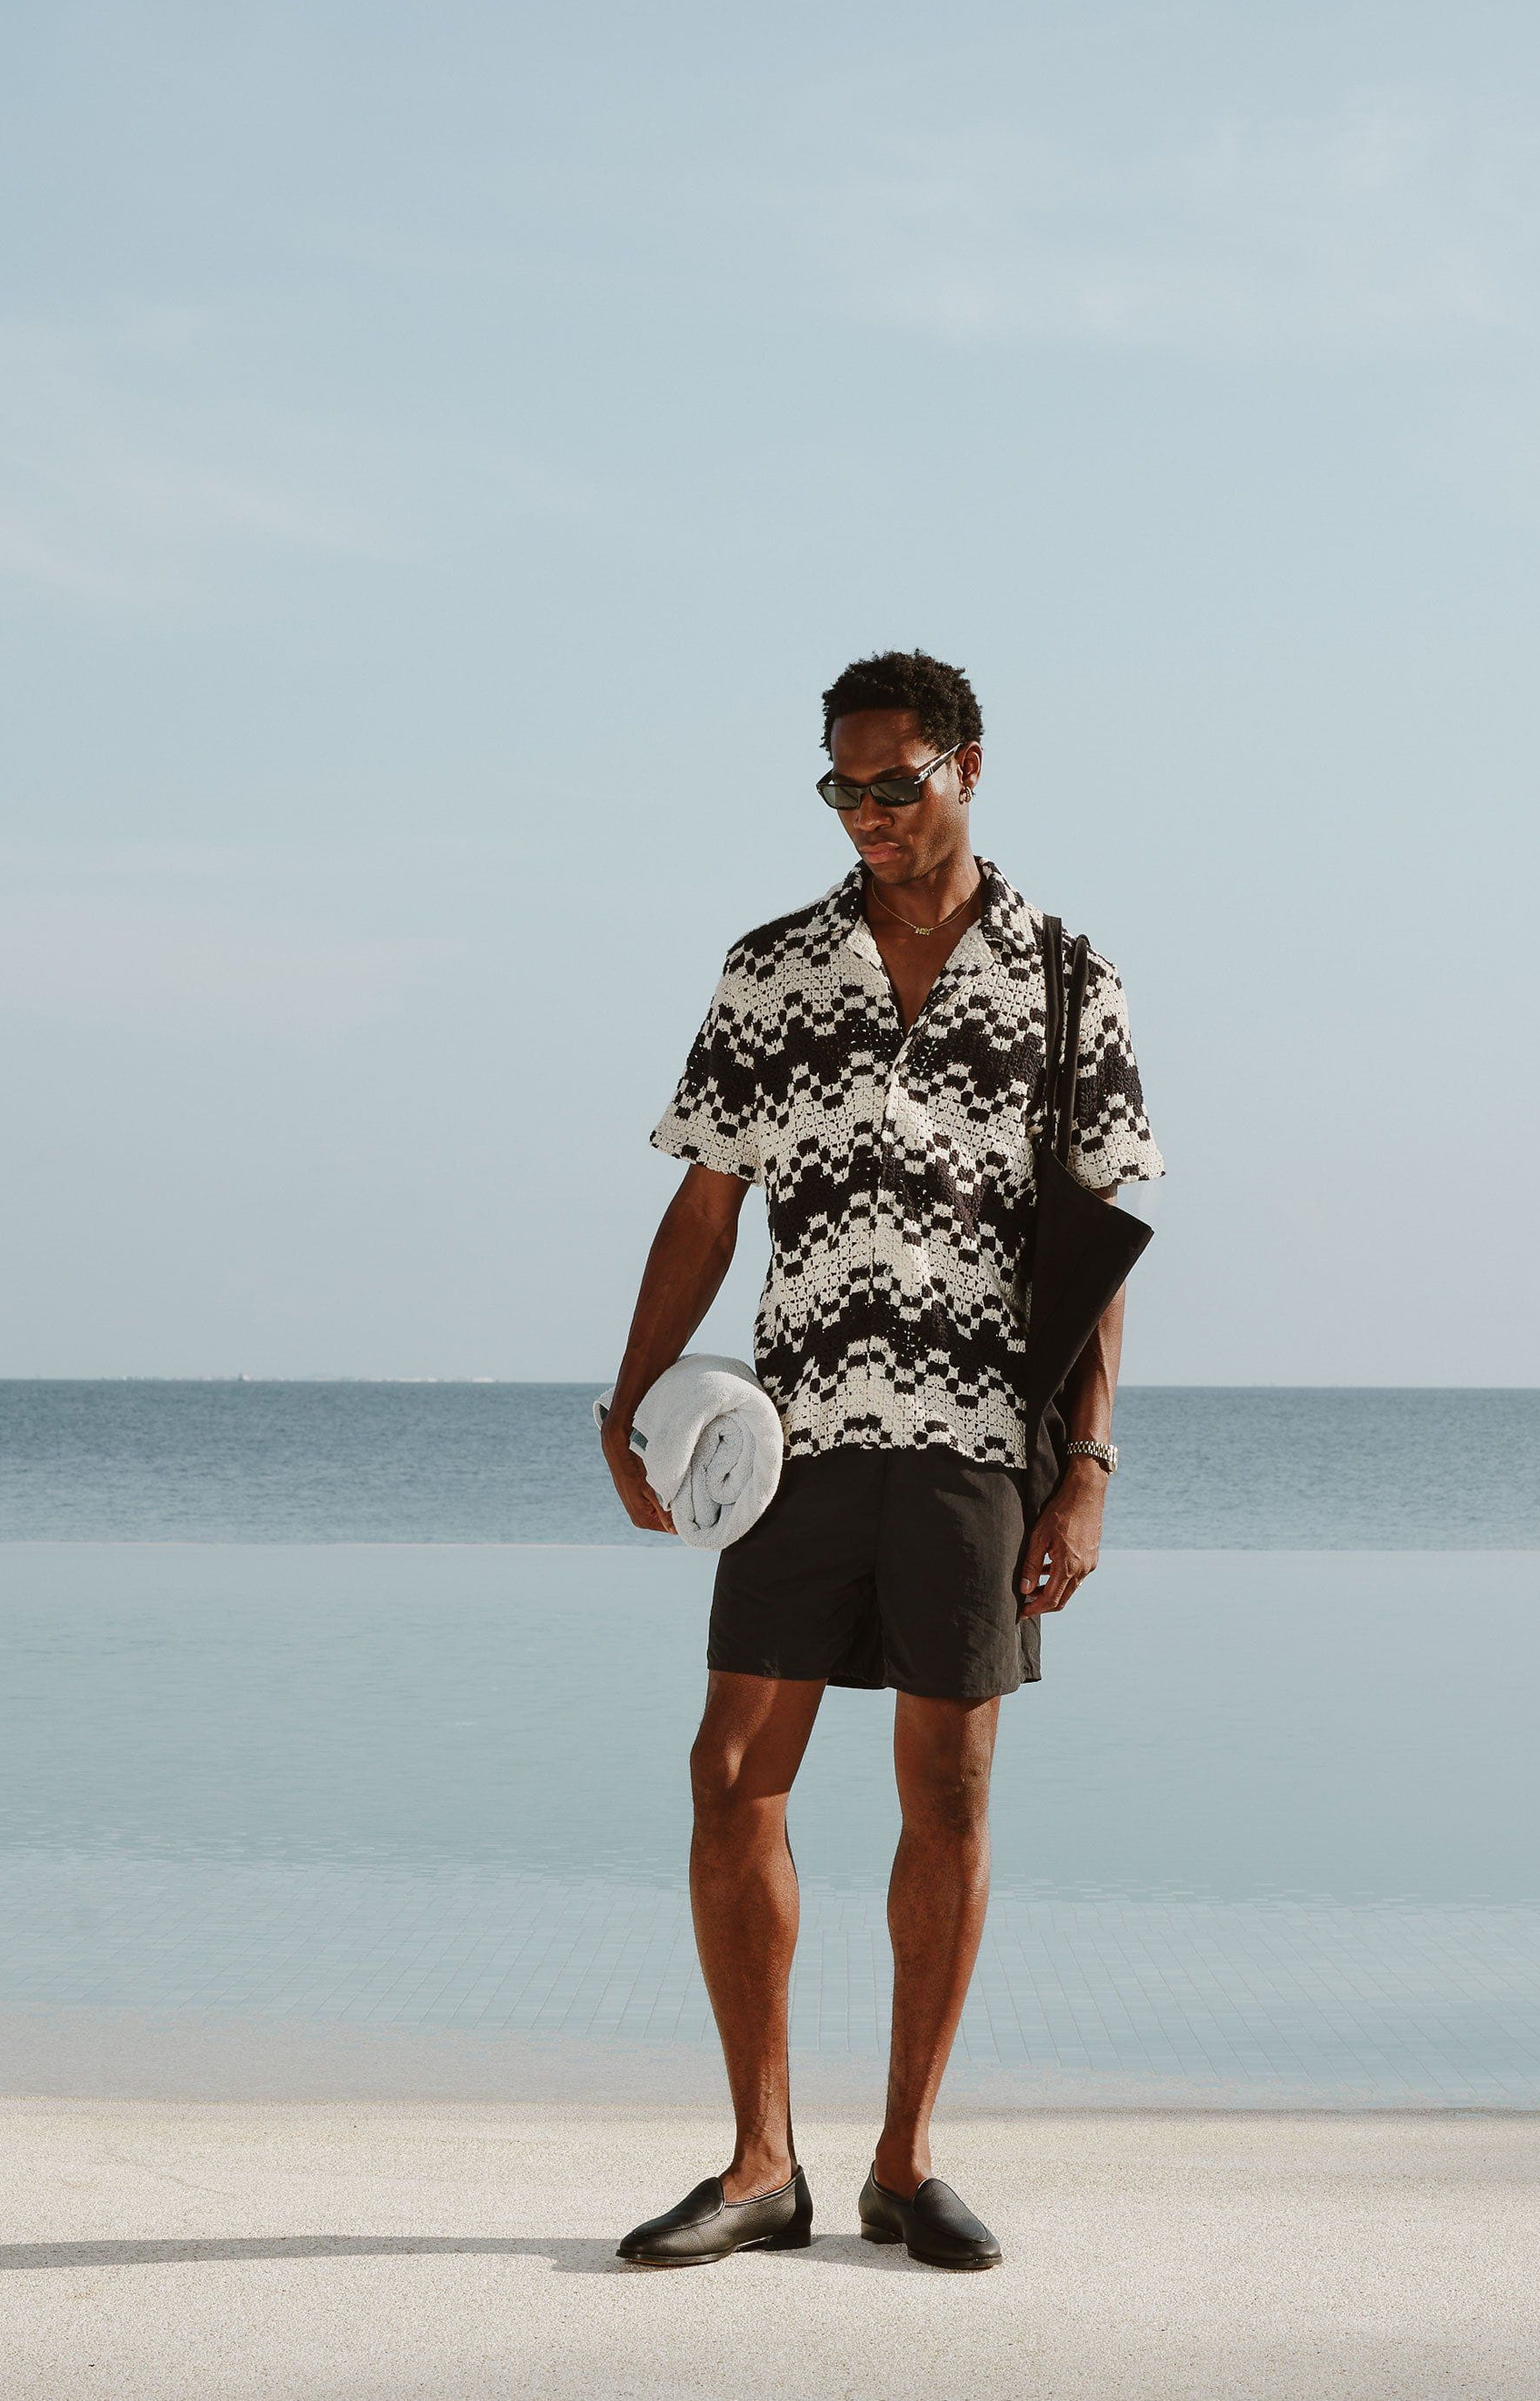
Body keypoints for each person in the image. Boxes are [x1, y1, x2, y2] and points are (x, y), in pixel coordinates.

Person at [602, 649, 1163, 2270]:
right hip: (797, 1437)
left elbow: (1103, 1244)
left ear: (968, 768)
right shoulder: (772, 971)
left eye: (894, 785)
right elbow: (709, 1198)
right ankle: (761, 2159)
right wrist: (633, 1392)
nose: (867, 815)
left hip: (983, 1443)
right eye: (841, 789)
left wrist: (1089, 1467)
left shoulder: (1071, 978)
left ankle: (905, 2163)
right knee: (731, 1778)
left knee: (952, 1791)